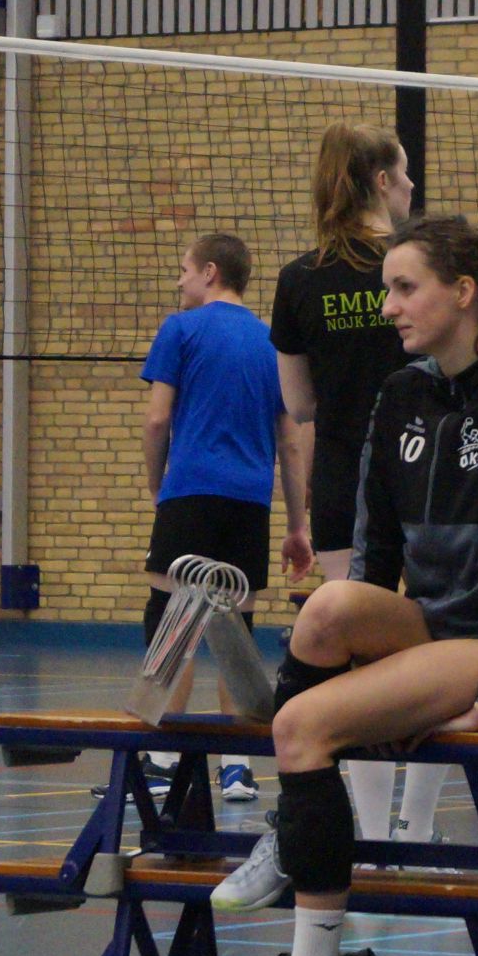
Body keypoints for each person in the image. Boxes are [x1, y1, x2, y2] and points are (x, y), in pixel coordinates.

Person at [192, 215, 478, 956]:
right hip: (432, 631)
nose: (388, 305)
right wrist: (375, 669)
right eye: (388, 289)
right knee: (329, 607)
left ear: (463, 293)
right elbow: (373, 561)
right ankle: (294, 829)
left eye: (405, 288)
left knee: (301, 728)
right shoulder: (400, 395)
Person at [259, 123, 446, 837]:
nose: (411, 186)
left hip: (343, 478)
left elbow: (298, 403)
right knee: (435, 650)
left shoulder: (299, 278)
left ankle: (368, 837)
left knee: (358, 661)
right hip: (426, 473)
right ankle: (417, 831)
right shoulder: (423, 268)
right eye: (404, 173)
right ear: (380, 181)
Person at [140, 233, 301, 786]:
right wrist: (297, 525)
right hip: (249, 502)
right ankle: (238, 767)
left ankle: (161, 763)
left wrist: (156, 486)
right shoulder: (272, 342)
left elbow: (157, 419)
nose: (178, 280)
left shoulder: (180, 329)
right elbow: (290, 443)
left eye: (184, 270)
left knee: (169, 621)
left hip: (189, 491)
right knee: (237, 633)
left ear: (210, 272)